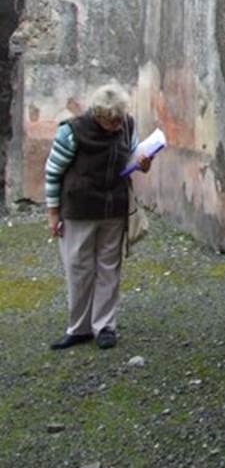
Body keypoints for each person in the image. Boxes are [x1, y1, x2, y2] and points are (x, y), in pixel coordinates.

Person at [45, 84, 152, 351]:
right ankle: (79, 328)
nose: (116, 126)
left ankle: (104, 326)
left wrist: (143, 162)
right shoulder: (71, 132)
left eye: (119, 119)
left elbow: (134, 154)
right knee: (78, 269)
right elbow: (53, 172)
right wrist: (53, 213)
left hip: (114, 207)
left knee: (109, 268)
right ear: (97, 114)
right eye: (111, 121)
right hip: (79, 209)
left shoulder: (126, 124)